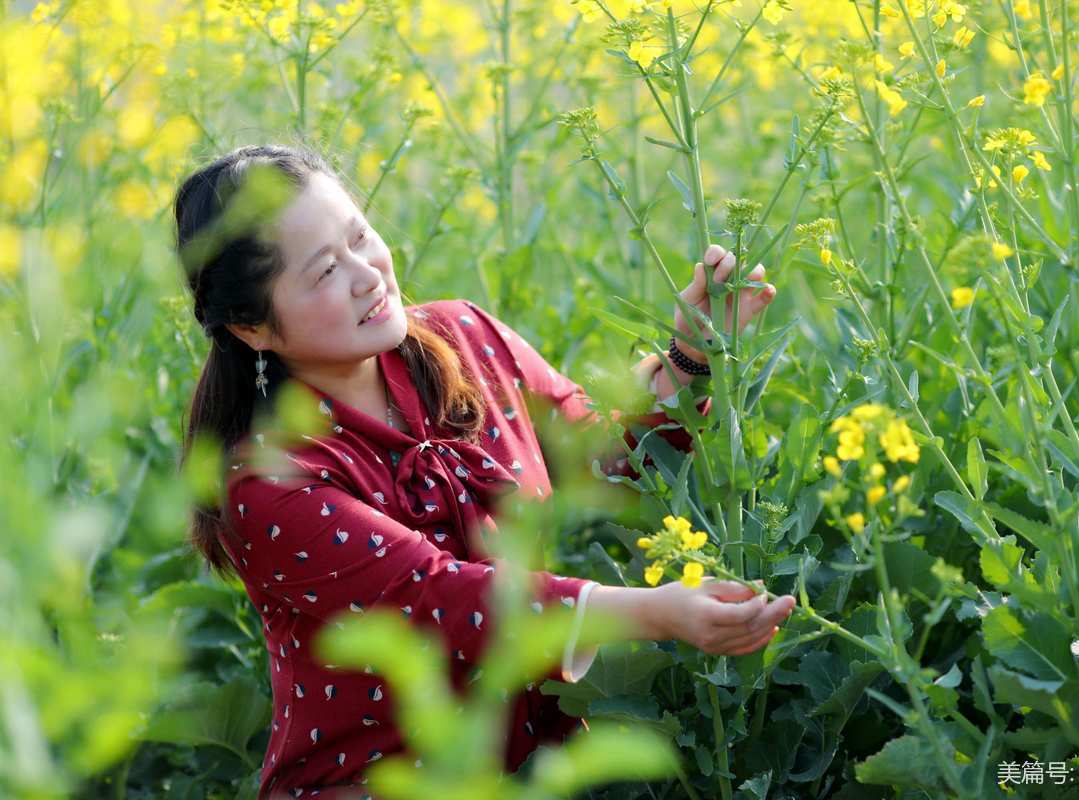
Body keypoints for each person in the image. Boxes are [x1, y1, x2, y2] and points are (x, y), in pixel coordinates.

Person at [173, 144, 796, 799]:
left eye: (360, 237)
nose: (368, 275)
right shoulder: (266, 481)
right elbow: (444, 598)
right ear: (251, 328)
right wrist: (657, 614)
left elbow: (604, 462)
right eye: (326, 270)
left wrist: (692, 354)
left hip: (547, 772)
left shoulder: (462, 335)